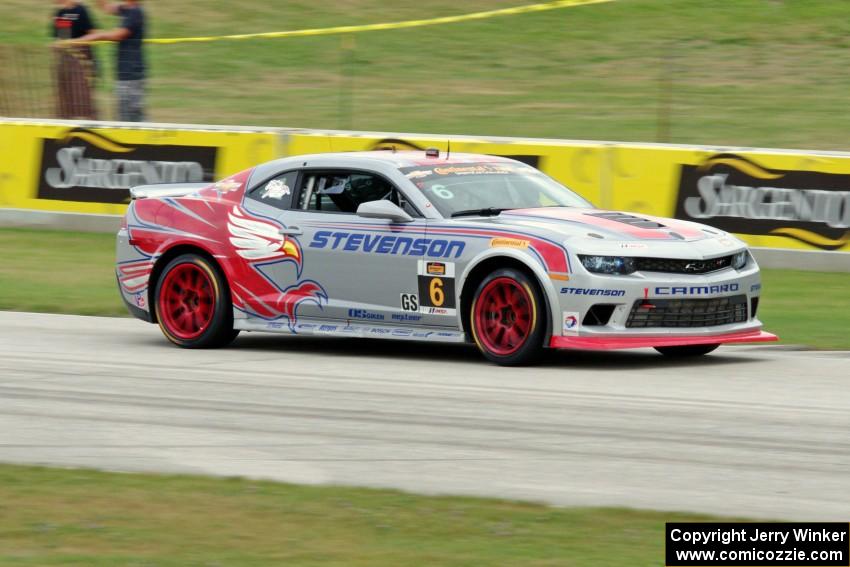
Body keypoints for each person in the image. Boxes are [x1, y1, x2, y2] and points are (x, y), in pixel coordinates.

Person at [72, 0, 146, 122]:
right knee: (128, 117)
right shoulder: (127, 9)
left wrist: (92, 37)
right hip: (125, 74)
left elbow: (117, 35)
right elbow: (107, 7)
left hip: (131, 75)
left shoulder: (135, 12)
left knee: (131, 119)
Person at [52, 0, 98, 119]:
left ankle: (88, 126)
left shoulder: (81, 10)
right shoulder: (61, 12)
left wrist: (74, 43)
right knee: (66, 99)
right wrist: (58, 44)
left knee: (82, 99)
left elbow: (93, 34)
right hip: (66, 60)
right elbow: (63, 37)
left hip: (82, 59)